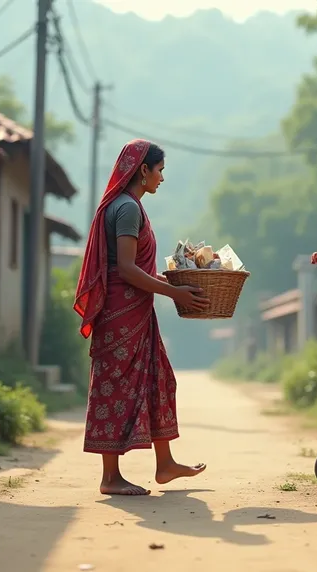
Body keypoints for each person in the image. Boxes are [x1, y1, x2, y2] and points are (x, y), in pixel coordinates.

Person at [74, 139, 209, 496]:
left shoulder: (127, 206)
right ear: (143, 170)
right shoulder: (128, 209)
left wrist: (172, 281)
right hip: (120, 315)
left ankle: (165, 465)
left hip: (136, 313)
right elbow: (128, 270)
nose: (162, 178)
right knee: (115, 388)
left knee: (157, 380)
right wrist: (175, 293)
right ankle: (110, 477)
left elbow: (131, 269)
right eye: (160, 170)